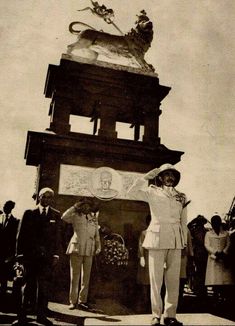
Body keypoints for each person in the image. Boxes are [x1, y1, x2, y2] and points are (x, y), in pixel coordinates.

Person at [127, 163, 188, 326]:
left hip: (175, 240)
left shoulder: (181, 196)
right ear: (160, 177)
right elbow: (131, 193)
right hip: (157, 238)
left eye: (173, 175)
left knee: (173, 280)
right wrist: (145, 177)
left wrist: (184, 243)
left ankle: (170, 316)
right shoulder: (152, 191)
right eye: (167, 174)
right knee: (155, 280)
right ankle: (155, 315)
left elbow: (184, 221)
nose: (170, 177)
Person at [12, 187, 62, 326]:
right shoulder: (29, 213)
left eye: (49, 197)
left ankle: (41, 316)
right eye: (43, 196)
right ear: (39, 198)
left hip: (46, 259)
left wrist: (56, 255)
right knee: (26, 288)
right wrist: (19, 255)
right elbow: (20, 236)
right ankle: (22, 318)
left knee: (44, 288)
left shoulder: (56, 215)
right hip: (29, 258)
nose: (46, 199)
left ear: (52, 199)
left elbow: (57, 237)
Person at [61, 197, 101, 310]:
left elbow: (96, 234)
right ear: (80, 206)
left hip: (89, 249)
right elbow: (64, 217)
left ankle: (82, 301)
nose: (86, 207)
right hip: (77, 248)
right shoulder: (75, 216)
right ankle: (73, 302)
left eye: (89, 206)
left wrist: (98, 246)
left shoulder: (93, 219)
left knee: (86, 277)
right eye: (84, 205)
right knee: (75, 276)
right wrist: (74, 207)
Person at [204, 214, 234, 302]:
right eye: (213, 223)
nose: (215, 224)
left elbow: (229, 244)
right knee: (215, 279)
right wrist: (216, 253)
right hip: (213, 258)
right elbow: (207, 245)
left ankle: (224, 297)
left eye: (217, 222)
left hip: (224, 258)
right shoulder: (208, 234)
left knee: (224, 280)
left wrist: (224, 253)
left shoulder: (225, 233)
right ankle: (215, 297)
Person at [0, 201, 19, 299]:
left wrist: (11, 255)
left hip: (7, 254)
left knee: (4, 276)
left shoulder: (15, 221)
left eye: (7, 206)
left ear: (11, 208)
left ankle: (2, 297)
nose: (4, 208)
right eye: (4, 206)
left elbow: (14, 240)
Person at [188, 215, 208, 298]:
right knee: (197, 271)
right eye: (199, 222)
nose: (200, 223)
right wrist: (194, 220)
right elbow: (187, 227)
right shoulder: (193, 230)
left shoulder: (206, 231)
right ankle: (198, 288)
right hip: (197, 253)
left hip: (205, 252)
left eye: (201, 222)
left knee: (203, 272)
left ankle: (202, 289)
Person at [136, 214, 151, 312]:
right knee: (145, 281)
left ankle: (151, 302)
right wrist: (142, 257)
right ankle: (145, 300)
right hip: (146, 258)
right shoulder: (144, 233)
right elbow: (141, 245)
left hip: (154, 259)